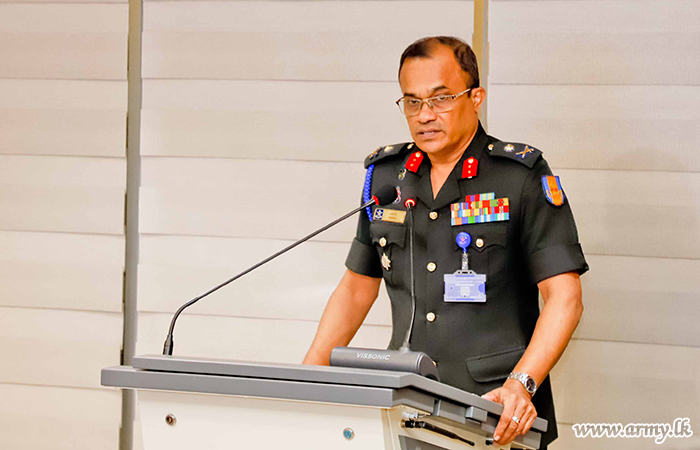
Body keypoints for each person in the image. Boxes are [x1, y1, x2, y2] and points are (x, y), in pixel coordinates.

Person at [303, 36, 588, 449]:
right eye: (412, 101)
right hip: (403, 405)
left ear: (476, 98)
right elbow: (355, 289)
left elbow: (565, 298)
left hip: (493, 412)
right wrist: (311, 374)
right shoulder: (387, 177)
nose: (425, 115)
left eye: (441, 99)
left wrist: (521, 384)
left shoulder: (519, 176)